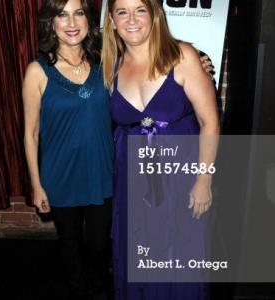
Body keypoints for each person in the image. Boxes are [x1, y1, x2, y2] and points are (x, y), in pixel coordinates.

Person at [101, 0, 220, 299]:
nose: (132, 19)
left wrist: (203, 181)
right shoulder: (110, 65)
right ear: (112, 21)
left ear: (154, 15)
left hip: (181, 177)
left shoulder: (182, 56)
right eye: (122, 12)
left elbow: (210, 123)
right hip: (134, 181)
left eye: (140, 9)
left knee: (179, 253)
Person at [22, 0, 113, 299]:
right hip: (60, 175)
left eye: (79, 13)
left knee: (100, 245)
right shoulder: (38, 70)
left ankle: (99, 291)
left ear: (88, 19)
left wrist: (198, 57)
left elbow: (149, 52)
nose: (71, 22)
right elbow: (31, 132)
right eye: (62, 14)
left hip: (101, 172)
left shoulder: (106, 61)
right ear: (51, 22)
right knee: (70, 247)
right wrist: (36, 184)